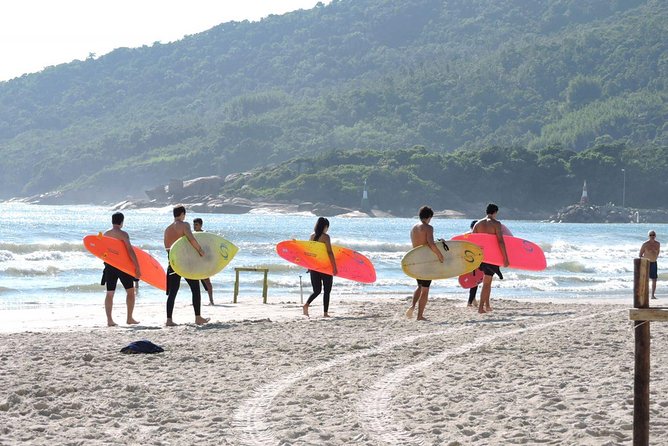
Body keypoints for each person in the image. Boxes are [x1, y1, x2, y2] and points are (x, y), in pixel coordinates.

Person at [164, 205, 210, 326]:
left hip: (173, 263)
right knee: (195, 289)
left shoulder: (167, 229)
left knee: (173, 292)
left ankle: (169, 320)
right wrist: (200, 250)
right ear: (182, 214)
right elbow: (191, 239)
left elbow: (167, 248)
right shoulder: (185, 225)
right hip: (186, 263)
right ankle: (198, 317)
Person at [101, 212, 141, 327]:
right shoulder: (123, 234)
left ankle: (109, 320)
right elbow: (130, 250)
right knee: (130, 291)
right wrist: (137, 266)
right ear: (122, 222)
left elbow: (103, 251)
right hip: (122, 267)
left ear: (112, 221)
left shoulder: (106, 234)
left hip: (109, 266)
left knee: (109, 293)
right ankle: (129, 318)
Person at [405, 206, 444, 321]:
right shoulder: (428, 227)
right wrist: (439, 255)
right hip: (425, 262)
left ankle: (412, 307)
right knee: (425, 289)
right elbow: (431, 244)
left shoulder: (414, 228)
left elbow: (422, 243)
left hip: (415, 260)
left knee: (420, 286)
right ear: (429, 217)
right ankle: (420, 315)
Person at [472, 203, 509, 314]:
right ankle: (481, 308)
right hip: (492, 258)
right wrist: (505, 258)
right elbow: (500, 241)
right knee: (487, 283)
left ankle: (486, 306)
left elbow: (473, 242)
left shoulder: (477, 224)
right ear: (495, 212)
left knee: (486, 282)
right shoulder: (496, 224)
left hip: (481, 257)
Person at [303, 217, 338, 318]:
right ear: (325, 226)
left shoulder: (311, 236)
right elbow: (330, 252)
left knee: (317, 291)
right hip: (325, 267)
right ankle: (325, 313)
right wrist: (334, 267)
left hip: (314, 267)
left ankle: (306, 305)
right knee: (327, 291)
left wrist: (309, 266)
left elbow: (310, 253)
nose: (327, 229)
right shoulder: (326, 237)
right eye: (327, 227)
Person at [193, 217, 214, 305]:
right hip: (195, 260)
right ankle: (195, 301)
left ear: (201, 225)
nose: (194, 227)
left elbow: (209, 246)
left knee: (207, 281)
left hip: (204, 260)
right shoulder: (192, 235)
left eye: (196, 225)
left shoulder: (205, 234)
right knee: (194, 282)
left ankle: (211, 300)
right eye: (194, 225)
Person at [639, 230, 660, 299]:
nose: (652, 236)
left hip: (654, 262)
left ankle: (652, 295)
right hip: (646, 263)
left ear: (655, 235)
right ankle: (644, 294)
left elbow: (657, 253)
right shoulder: (645, 244)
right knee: (645, 280)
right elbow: (640, 255)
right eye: (650, 235)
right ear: (648, 236)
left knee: (654, 279)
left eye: (653, 235)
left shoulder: (658, 244)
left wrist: (654, 257)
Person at [466, 220, 480, 308]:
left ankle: (473, 299)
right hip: (475, 261)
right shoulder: (477, 236)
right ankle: (469, 302)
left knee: (473, 281)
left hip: (466, 260)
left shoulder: (466, 234)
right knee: (475, 282)